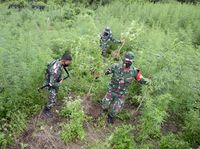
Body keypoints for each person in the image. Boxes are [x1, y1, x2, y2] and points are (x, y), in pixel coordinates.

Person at [102, 51, 150, 124]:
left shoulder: (134, 71)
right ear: (123, 59)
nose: (127, 62)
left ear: (132, 62)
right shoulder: (115, 66)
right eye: (126, 60)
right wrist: (99, 72)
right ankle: (105, 110)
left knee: (115, 110)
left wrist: (150, 82)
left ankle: (110, 116)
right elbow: (105, 72)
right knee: (104, 105)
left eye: (130, 61)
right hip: (111, 90)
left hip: (121, 94)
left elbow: (141, 79)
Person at [43, 52, 72, 117]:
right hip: (49, 85)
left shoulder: (58, 62)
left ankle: (49, 103)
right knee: (52, 100)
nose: (69, 64)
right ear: (63, 60)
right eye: (68, 62)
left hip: (50, 81)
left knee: (53, 97)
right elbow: (51, 83)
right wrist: (59, 83)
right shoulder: (56, 69)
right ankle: (46, 110)